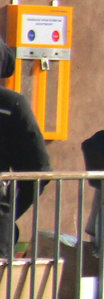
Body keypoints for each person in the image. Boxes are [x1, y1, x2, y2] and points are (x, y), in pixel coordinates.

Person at [0, 42, 51, 247]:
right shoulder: (11, 105)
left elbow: (38, 172)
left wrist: (8, 211)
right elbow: (39, 170)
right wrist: (8, 211)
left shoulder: (11, 106)